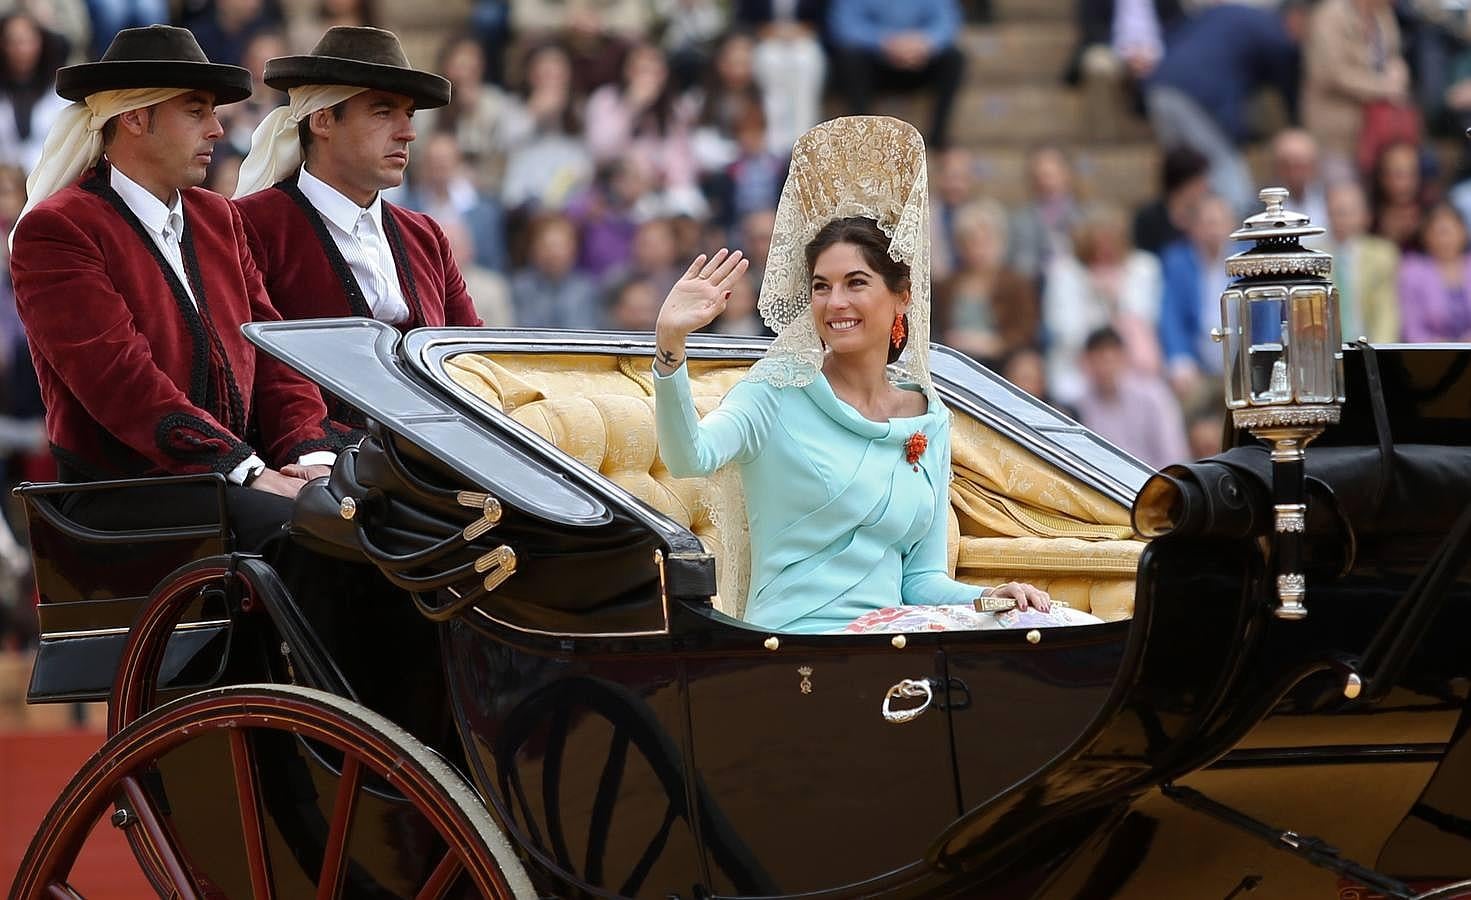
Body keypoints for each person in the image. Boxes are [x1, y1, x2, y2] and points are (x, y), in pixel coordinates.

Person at [651, 116, 1094, 635]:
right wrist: (670, 345)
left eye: (855, 282)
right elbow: (689, 456)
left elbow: (921, 581)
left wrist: (991, 598)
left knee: (1054, 624)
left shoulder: (928, 417)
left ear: (902, 294)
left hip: (890, 636)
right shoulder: (775, 391)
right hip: (797, 643)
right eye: (821, 286)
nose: (835, 303)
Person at [9, 25, 342, 551]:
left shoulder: (218, 218)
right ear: (136, 117)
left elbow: (275, 353)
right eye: (195, 110)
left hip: (221, 481)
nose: (216, 128)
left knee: (371, 518)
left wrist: (311, 460)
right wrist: (249, 472)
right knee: (308, 536)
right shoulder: (58, 229)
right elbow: (122, 382)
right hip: (122, 497)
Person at [232, 26, 481, 338]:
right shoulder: (250, 226)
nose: (408, 132)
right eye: (383, 112)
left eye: (409, 114)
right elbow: (259, 364)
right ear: (322, 120)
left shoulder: (426, 236)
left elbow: (470, 352)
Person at [1144, 1, 1303, 214]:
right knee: (1225, 171)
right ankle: (1241, 229)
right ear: (1295, 17)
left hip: (1158, 88)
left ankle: (1194, 231)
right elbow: (1286, 68)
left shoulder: (1228, 13)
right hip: (1196, 98)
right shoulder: (1271, 29)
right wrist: (1296, 122)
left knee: (1185, 177)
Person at [1043, 203, 1163, 403]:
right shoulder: (1064, 272)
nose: (1105, 249)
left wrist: (1115, 299)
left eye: (1111, 241)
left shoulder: (1144, 268)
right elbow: (1065, 329)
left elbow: (1145, 320)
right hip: (1076, 367)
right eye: (1098, 242)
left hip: (1132, 365)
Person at [828, 0, 965, 150]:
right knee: (850, 58)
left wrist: (924, 43)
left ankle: (938, 137)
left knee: (954, 58)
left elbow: (947, 21)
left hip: (919, 61)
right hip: (874, 62)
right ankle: (862, 134)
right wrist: (884, 42)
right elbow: (844, 25)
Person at [1158, 193, 1235, 409]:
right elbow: (1170, 315)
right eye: (1207, 224)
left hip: (1242, 367)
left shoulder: (1247, 261)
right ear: (1193, 228)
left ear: (1231, 225)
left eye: (1218, 223)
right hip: (1197, 367)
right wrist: (1179, 359)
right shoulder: (1177, 260)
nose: (1213, 231)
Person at [1074, 326, 1188, 469]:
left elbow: (1173, 456)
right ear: (1086, 362)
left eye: (1109, 360)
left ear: (1124, 357)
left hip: (1154, 484)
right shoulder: (1080, 404)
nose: (1104, 368)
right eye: (1097, 361)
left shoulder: (1154, 396)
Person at [1325, 179, 1399, 343]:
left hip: (1368, 350)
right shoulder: (1315, 256)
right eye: (1336, 211)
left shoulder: (1383, 254)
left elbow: (1386, 313)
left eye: (1347, 212)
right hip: (1326, 352)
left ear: (1365, 216)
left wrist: (1378, 355)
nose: (1341, 218)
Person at [0, 12, 69, 172]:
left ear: (40, 42)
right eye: (13, 42)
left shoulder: (59, 89)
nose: (21, 50)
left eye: (26, 41)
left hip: (48, 180)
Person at [1398, 202, 1471, 342]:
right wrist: (1437, 345)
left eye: (1449, 232)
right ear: (1425, 236)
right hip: (1430, 356)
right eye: (1438, 233)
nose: (1445, 240)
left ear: (1463, 232)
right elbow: (1411, 328)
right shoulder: (1412, 271)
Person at [1132, 145, 1211, 256]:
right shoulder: (1148, 218)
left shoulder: (1207, 214)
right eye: (1199, 181)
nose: (1205, 187)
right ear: (1182, 182)